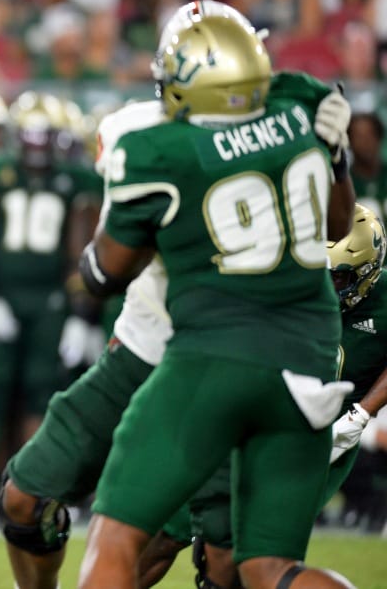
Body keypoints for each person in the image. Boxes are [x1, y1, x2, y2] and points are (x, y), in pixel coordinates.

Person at [76, 11, 356, 588]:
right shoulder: (299, 109)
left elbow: (105, 273)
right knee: (270, 570)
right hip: (308, 362)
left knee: (117, 539)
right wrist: (337, 157)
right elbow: (339, 223)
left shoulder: (158, 148)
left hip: (214, 357)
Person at [0, 0, 258, 589]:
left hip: (227, 363)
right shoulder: (134, 133)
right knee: (23, 497)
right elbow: (112, 260)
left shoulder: (278, 140)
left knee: (208, 558)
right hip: (141, 350)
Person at [137, 205, 387, 588]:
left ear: (368, 273)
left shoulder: (381, 299)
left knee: (257, 563)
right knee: (164, 535)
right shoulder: (277, 278)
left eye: (336, 278)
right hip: (250, 418)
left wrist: (362, 415)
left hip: (320, 445)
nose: (320, 285)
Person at [0, 91, 101, 476]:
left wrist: (81, 313)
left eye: (45, 135)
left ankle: (33, 486)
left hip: (50, 299)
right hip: (1, 293)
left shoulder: (75, 180)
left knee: (45, 391)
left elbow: (80, 254)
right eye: (31, 134)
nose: (37, 144)